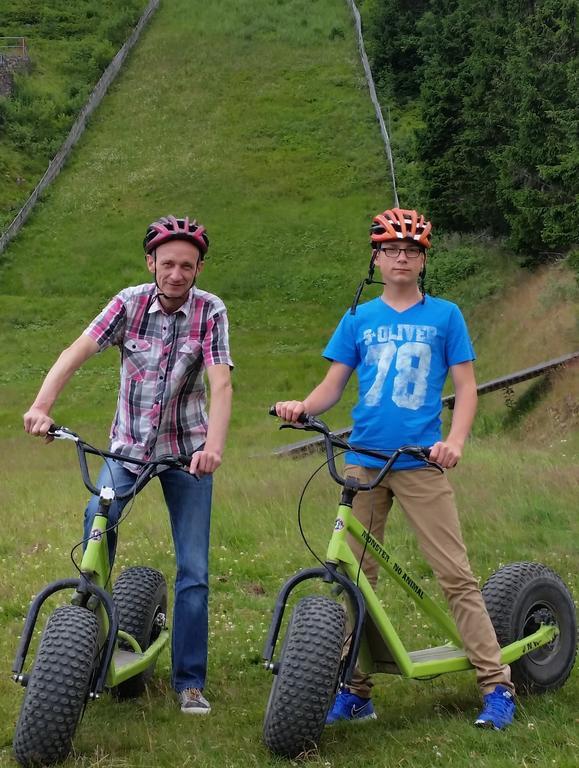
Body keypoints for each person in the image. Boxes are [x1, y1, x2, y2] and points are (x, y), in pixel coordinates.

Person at [275, 207, 515, 730]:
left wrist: (454, 441)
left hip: (420, 462)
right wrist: (303, 407)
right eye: (391, 250)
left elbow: (468, 388)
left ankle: (497, 686)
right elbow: (332, 386)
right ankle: (356, 691)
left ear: (423, 260)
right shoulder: (358, 319)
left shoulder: (445, 315)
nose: (401, 257)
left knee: (455, 575)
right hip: (362, 463)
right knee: (355, 581)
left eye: (411, 250)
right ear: (377, 259)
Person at [23, 215, 233, 715]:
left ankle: (189, 683)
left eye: (187, 265)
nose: (176, 274)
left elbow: (221, 384)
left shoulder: (211, 312)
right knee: (96, 533)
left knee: (194, 569)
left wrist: (215, 447)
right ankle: (84, 650)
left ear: (199, 267)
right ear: (150, 263)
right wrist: (41, 405)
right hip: (127, 451)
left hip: (187, 454)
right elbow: (76, 351)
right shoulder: (128, 303)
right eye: (167, 264)